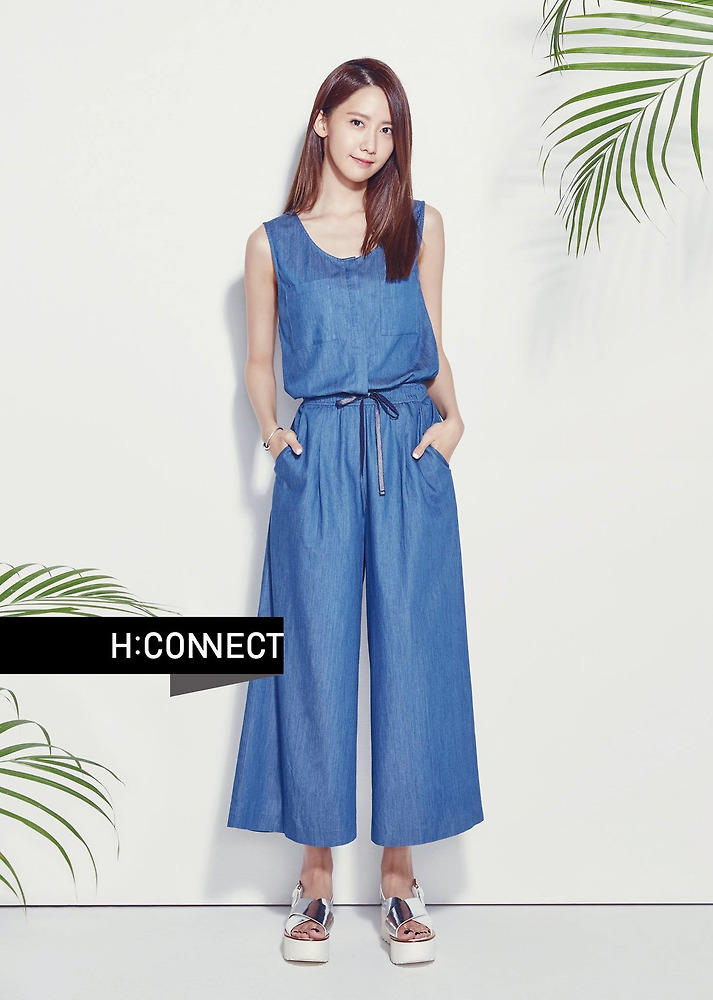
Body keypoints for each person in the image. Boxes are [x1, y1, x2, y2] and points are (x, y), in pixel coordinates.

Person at [227, 57, 484, 965]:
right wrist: (274, 435)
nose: (372, 142)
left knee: (414, 659)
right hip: (320, 456)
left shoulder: (420, 226)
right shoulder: (272, 244)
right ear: (321, 122)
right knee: (312, 659)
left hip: (408, 450)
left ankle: (401, 882)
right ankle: (314, 880)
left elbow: (433, 342)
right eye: (358, 122)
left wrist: (455, 423)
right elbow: (261, 361)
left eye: (387, 129)